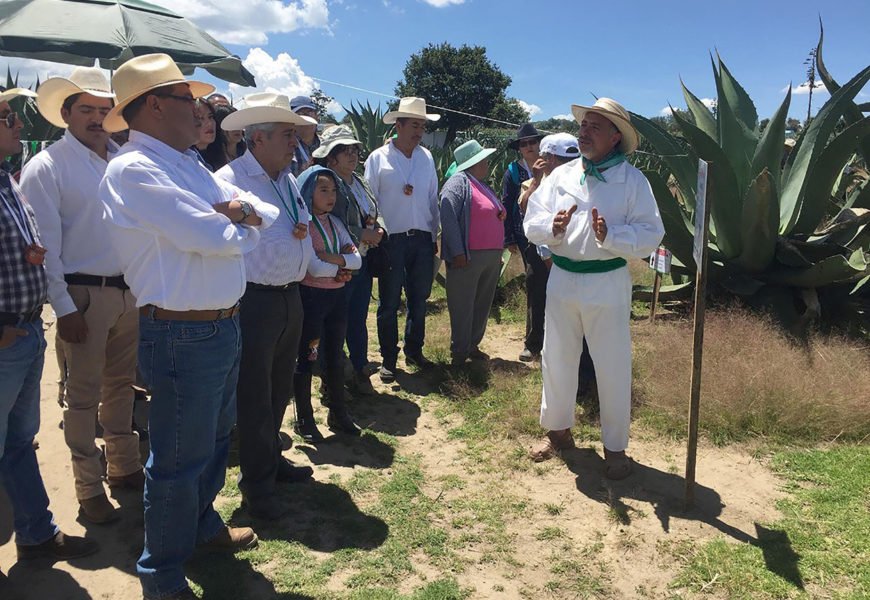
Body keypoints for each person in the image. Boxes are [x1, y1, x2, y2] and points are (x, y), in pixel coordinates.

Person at [98, 53, 279, 600]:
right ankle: (162, 576)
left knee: (213, 442)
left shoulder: (185, 162)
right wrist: (235, 221)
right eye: (188, 99)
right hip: (181, 332)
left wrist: (236, 218)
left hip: (217, 326)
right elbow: (218, 237)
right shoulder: (134, 169)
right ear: (155, 105)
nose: (200, 110)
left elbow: (258, 215)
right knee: (178, 461)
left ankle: (200, 528)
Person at [21, 67, 144, 526]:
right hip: (84, 293)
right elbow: (45, 246)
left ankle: (124, 465)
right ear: (67, 114)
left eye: (103, 109)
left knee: (120, 388)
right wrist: (65, 306)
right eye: (86, 109)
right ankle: (88, 487)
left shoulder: (122, 159)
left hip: (127, 290)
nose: (97, 118)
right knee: (83, 397)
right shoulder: (47, 167)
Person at [523, 98, 664, 479]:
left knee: (612, 363)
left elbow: (652, 234)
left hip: (608, 280)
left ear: (615, 137)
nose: (583, 132)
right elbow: (531, 221)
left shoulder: (633, 181)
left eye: (594, 127)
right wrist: (551, 227)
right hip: (563, 278)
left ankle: (615, 447)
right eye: (583, 125)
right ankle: (559, 433)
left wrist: (612, 235)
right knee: (557, 356)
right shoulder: (561, 176)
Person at [0, 85, 99, 568]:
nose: (18, 124)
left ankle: (36, 533)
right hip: (5, 336)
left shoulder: (7, 182)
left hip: (22, 333)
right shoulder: (34, 172)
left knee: (18, 442)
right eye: (5, 117)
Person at [214, 92, 319, 520]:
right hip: (253, 299)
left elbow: (303, 223)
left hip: (289, 295)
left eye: (294, 135)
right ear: (257, 139)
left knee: (278, 389)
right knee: (254, 395)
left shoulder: (287, 178)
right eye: (286, 135)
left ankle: (270, 463)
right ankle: (257, 487)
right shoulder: (230, 179)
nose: (294, 143)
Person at [364, 97, 440, 382]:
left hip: (421, 238)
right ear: (399, 125)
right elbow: (370, 199)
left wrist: (435, 235)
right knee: (388, 302)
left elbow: (432, 198)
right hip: (391, 239)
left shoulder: (426, 157)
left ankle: (414, 349)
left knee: (419, 298)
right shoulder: (378, 158)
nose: (419, 131)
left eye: (422, 125)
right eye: (414, 125)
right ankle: (388, 357)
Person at [519, 134, 596, 400]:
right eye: (563, 159)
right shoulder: (546, 185)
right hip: (563, 268)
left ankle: (580, 381)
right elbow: (531, 218)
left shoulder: (575, 181)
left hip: (568, 270)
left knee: (573, 331)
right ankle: (575, 381)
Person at [312, 125, 386, 395]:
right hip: (339, 263)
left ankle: (358, 367)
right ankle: (330, 377)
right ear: (331, 157)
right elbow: (330, 220)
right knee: (335, 322)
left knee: (357, 317)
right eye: (344, 151)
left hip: (362, 260)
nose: (351, 155)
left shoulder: (360, 181)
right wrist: (362, 233)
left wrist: (379, 229)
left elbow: (374, 208)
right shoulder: (328, 183)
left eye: (354, 149)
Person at [292, 166, 362, 442]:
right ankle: (304, 419)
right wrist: (341, 264)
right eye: (323, 190)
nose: (330, 196)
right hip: (312, 299)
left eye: (333, 190)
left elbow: (357, 261)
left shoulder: (337, 223)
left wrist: (332, 260)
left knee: (334, 354)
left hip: (336, 298)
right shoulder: (304, 226)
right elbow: (313, 267)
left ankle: (338, 412)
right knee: (307, 357)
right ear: (309, 192)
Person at [439, 140, 505, 365]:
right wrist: (457, 250)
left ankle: (472, 345)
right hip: (468, 256)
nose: (487, 163)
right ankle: (459, 352)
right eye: (483, 159)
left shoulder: (481, 184)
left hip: (490, 255)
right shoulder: (458, 182)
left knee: (481, 303)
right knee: (463, 304)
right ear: (474, 162)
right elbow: (447, 212)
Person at [502, 123, 547, 363]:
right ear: (519, 148)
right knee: (535, 283)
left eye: (532, 142)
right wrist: (508, 237)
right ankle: (532, 343)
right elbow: (507, 204)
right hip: (526, 236)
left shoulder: (553, 165)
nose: (529, 147)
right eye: (524, 144)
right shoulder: (514, 172)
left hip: (553, 234)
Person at [201, 105, 243, 171]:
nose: (236, 128)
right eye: (230, 124)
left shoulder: (248, 152)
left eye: (239, 122)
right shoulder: (209, 158)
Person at [290, 95, 320, 177]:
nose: (306, 117)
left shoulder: (327, 146)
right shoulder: (286, 147)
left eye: (309, 112)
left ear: (317, 117)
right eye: (300, 113)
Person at [192, 98, 216, 170]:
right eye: (200, 118)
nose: (209, 123)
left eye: (210, 117)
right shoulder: (187, 159)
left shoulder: (221, 156)